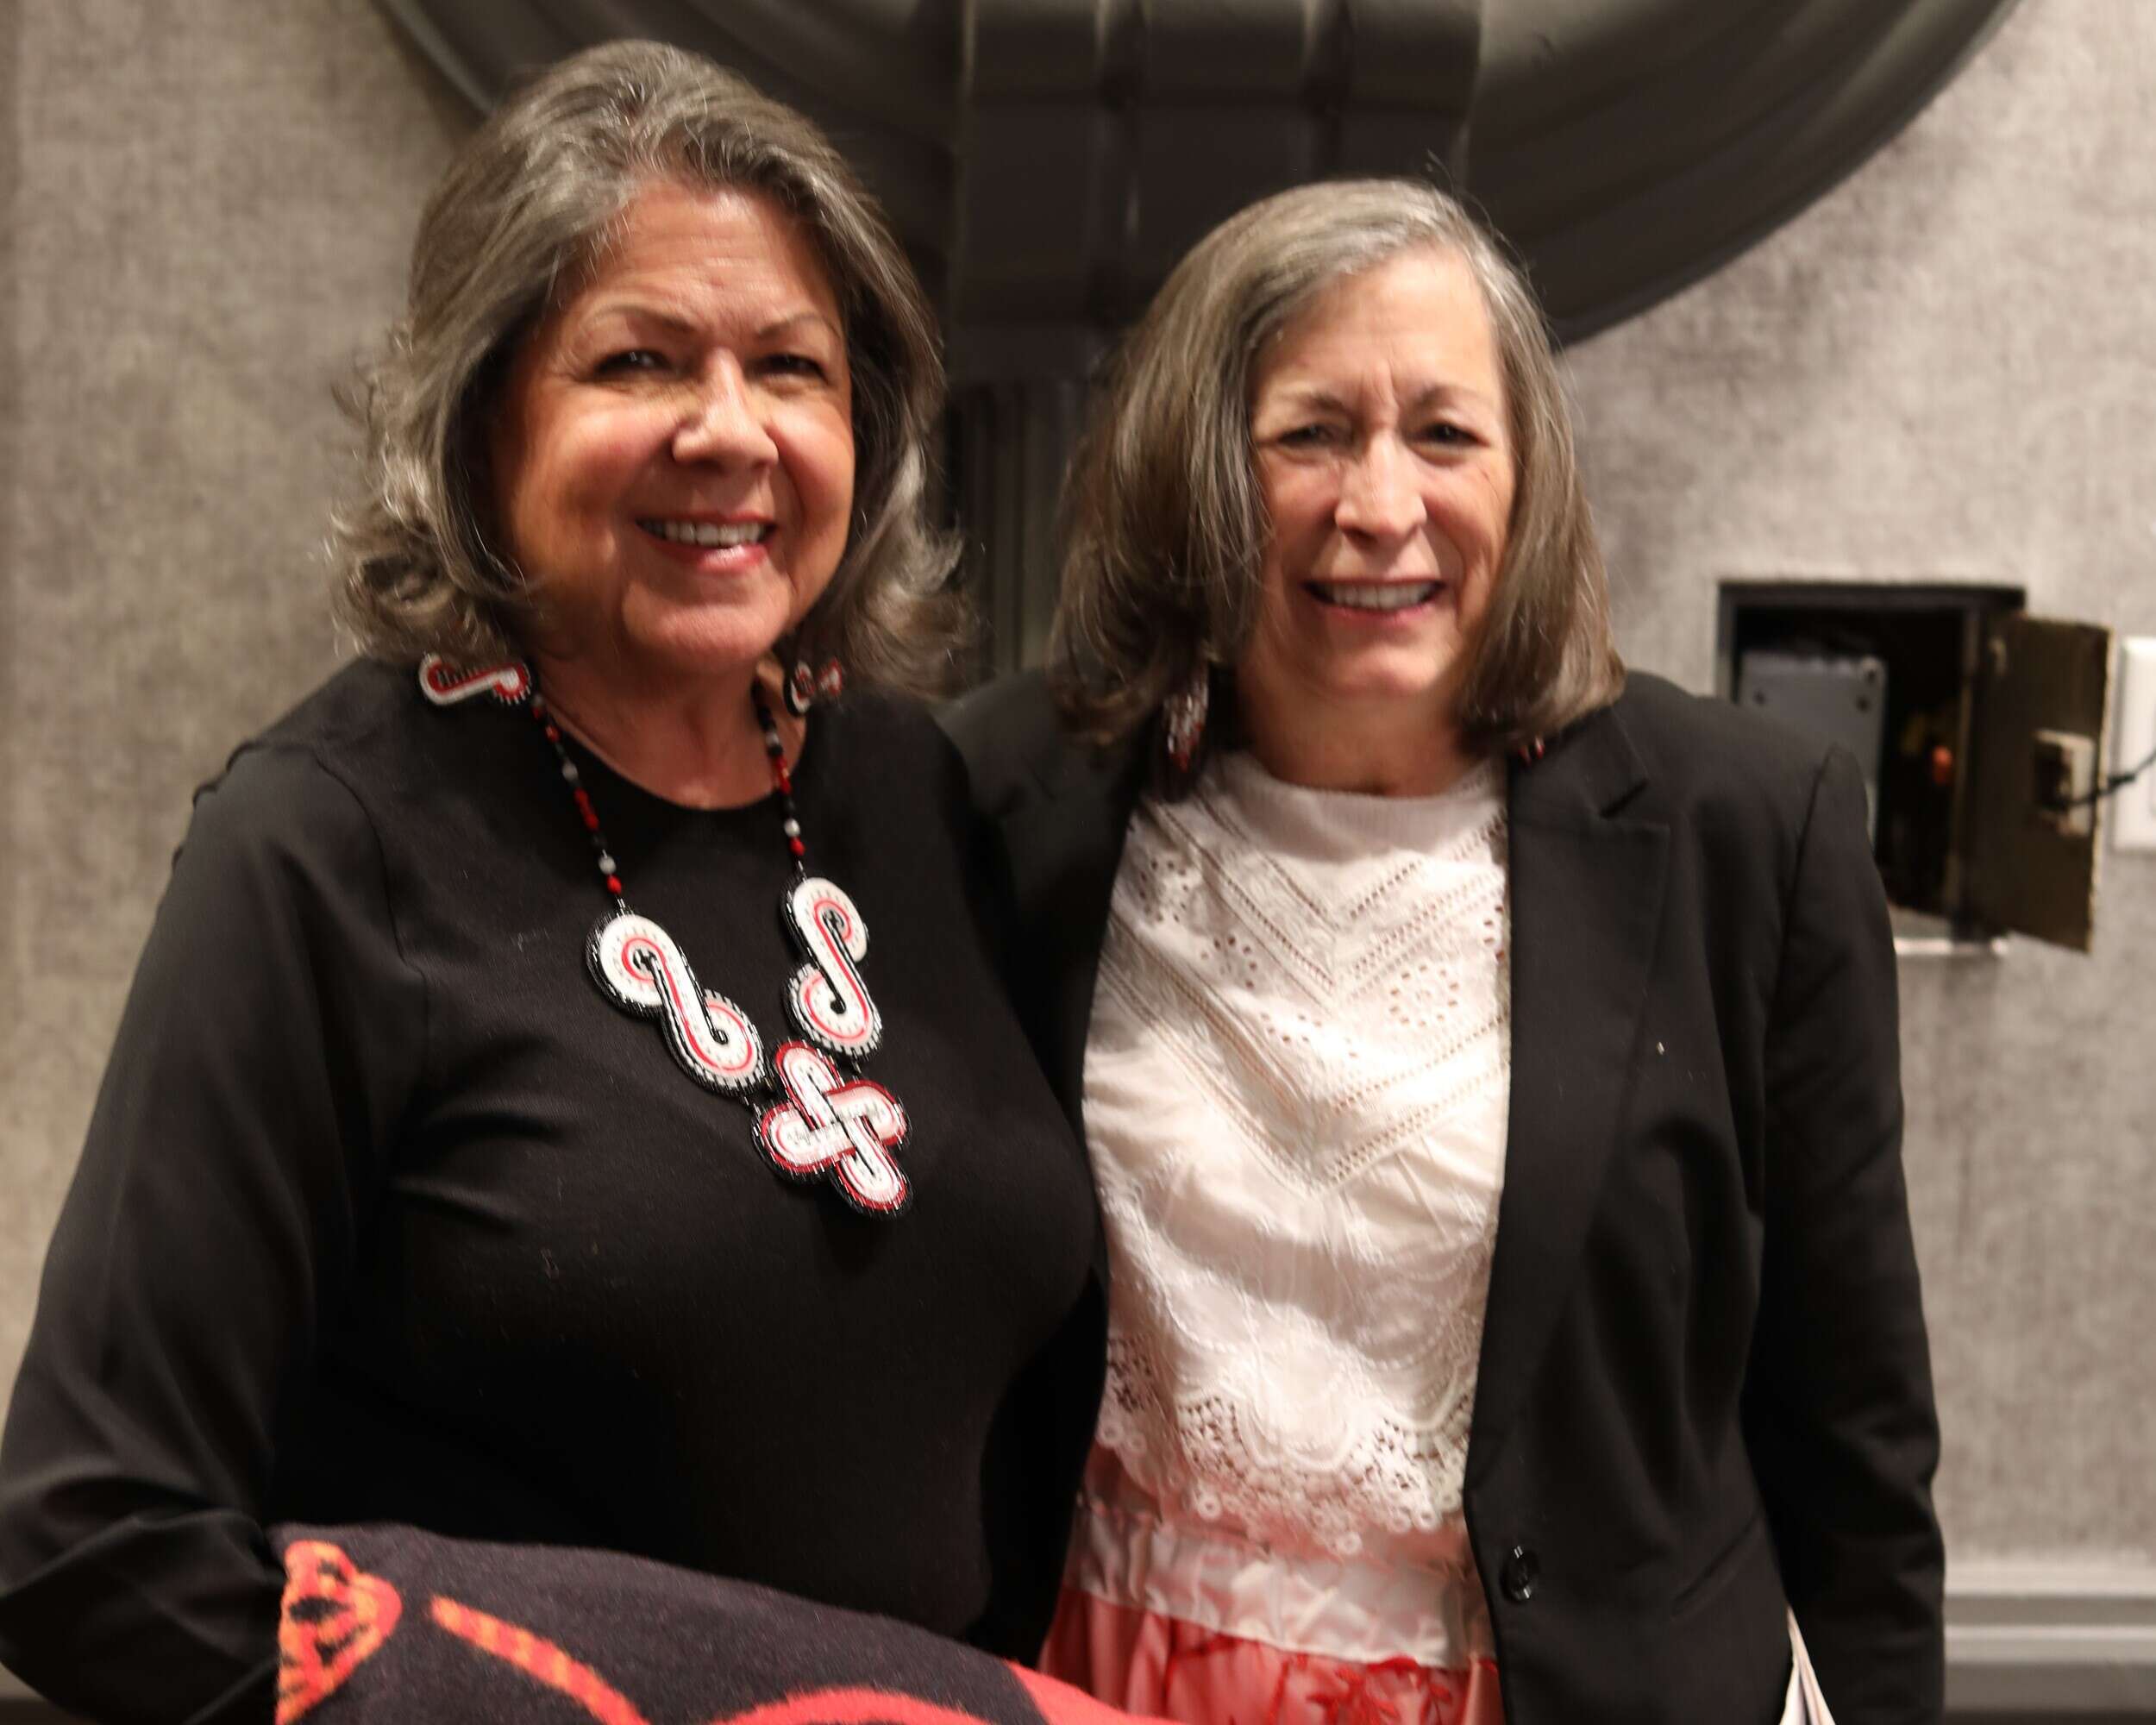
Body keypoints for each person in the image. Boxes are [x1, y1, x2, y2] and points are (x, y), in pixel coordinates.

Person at [0, 41, 1109, 1725]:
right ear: (482, 416)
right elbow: (83, 1544)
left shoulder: (912, 786)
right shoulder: (326, 845)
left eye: (791, 367)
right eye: (637, 360)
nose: (727, 430)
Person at [945, 179, 1943, 1725]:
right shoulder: (1009, 802)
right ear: (1198, 470)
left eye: (1445, 434)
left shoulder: (1751, 833)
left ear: (1526, 474)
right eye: (1312, 433)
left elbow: (1856, 1440)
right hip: (1102, 1684)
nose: (1381, 505)